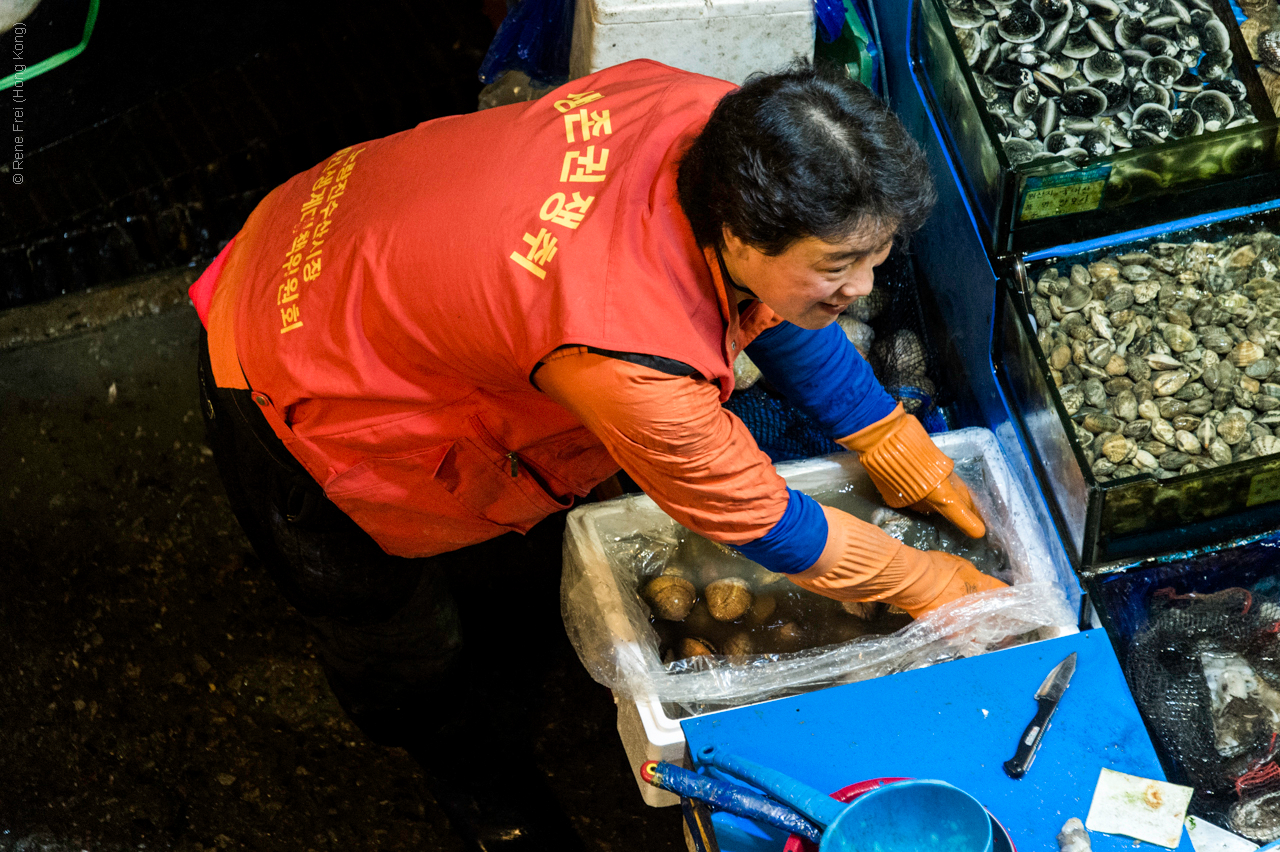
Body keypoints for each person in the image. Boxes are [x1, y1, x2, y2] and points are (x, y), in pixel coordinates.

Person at [190, 57, 1008, 850]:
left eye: (877, 254)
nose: (865, 286)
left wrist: (875, 423)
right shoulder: (628, 352)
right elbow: (760, 520)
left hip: (351, 223)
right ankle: (470, 776)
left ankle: (499, 630)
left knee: (507, 568)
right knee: (391, 630)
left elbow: (772, 298)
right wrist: (930, 582)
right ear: (739, 228)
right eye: (842, 265)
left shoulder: (725, 125)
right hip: (288, 364)